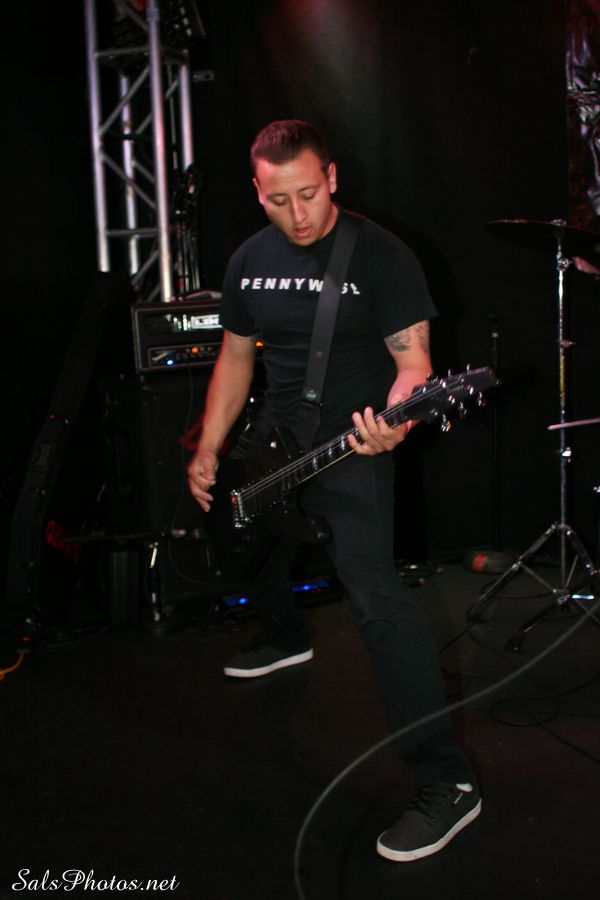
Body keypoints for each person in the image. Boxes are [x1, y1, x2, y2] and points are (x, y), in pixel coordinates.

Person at [187, 119, 481, 861]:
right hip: (272, 442)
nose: (298, 214)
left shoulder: (381, 255)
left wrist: (396, 422)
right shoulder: (249, 259)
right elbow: (236, 357)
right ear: (257, 190)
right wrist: (211, 447)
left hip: (352, 445)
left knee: (377, 602)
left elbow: (414, 364)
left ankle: (447, 782)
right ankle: (284, 635)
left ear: (333, 178)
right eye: (278, 199)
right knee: (243, 530)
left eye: (309, 194)